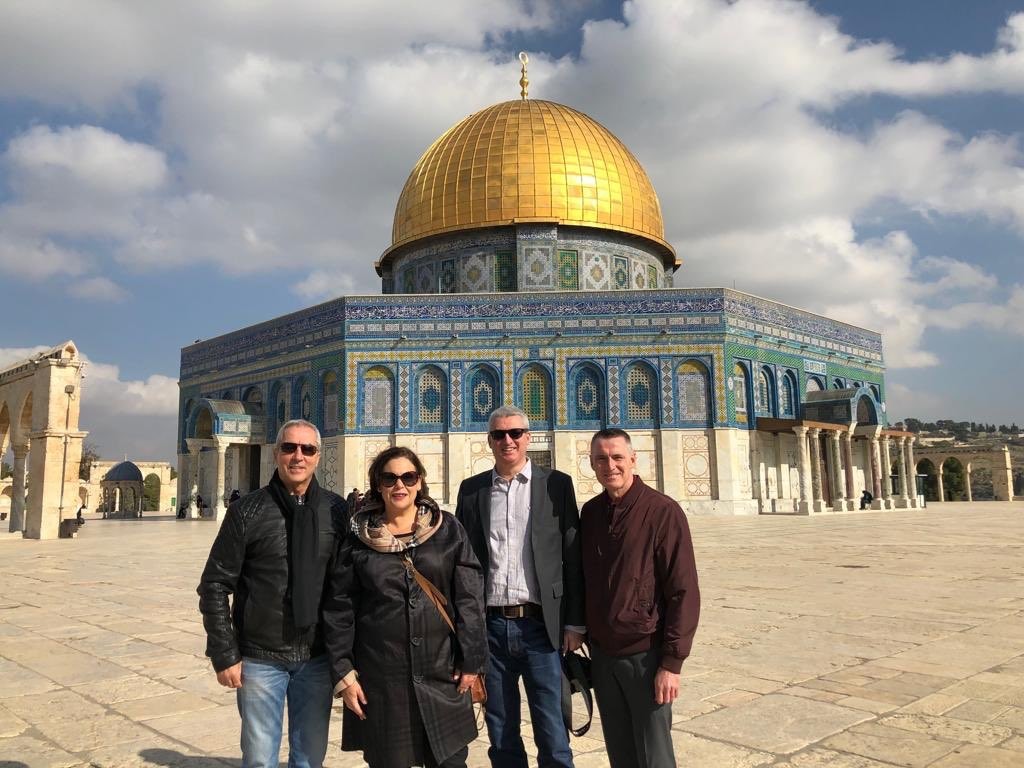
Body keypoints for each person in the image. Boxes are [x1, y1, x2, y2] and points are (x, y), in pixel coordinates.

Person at [323, 446, 486, 768]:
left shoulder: (447, 529)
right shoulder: (359, 538)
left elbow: (469, 597)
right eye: (390, 478)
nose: (400, 486)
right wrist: (343, 672)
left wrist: (472, 660)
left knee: (450, 761)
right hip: (382, 679)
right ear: (378, 485)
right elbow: (340, 608)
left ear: (420, 482)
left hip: (443, 672)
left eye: (408, 477)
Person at [197, 419, 347, 768]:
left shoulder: (337, 511)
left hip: (317, 656)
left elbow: (347, 586)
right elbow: (215, 584)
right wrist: (224, 652)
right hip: (260, 658)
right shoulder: (247, 510)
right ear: (276, 453)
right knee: (260, 758)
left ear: (318, 456)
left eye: (307, 449)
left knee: (310, 758)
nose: (298, 456)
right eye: (289, 448)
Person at [455, 405, 585, 768]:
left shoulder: (556, 485)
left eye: (515, 433)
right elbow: (462, 565)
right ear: (489, 441)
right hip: (491, 628)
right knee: (500, 729)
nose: (507, 441)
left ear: (528, 438)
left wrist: (574, 622)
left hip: (541, 627)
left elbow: (571, 556)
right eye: (499, 435)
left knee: (552, 726)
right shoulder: (472, 491)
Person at [581, 429, 700, 768]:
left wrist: (671, 664)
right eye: (601, 459)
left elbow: (683, 590)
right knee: (621, 752)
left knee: (654, 755)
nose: (610, 465)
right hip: (604, 657)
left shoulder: (662, 512)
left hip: (646, 656)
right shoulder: (590, 514)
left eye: (617, 457)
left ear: (633, 459)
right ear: (591, 464)